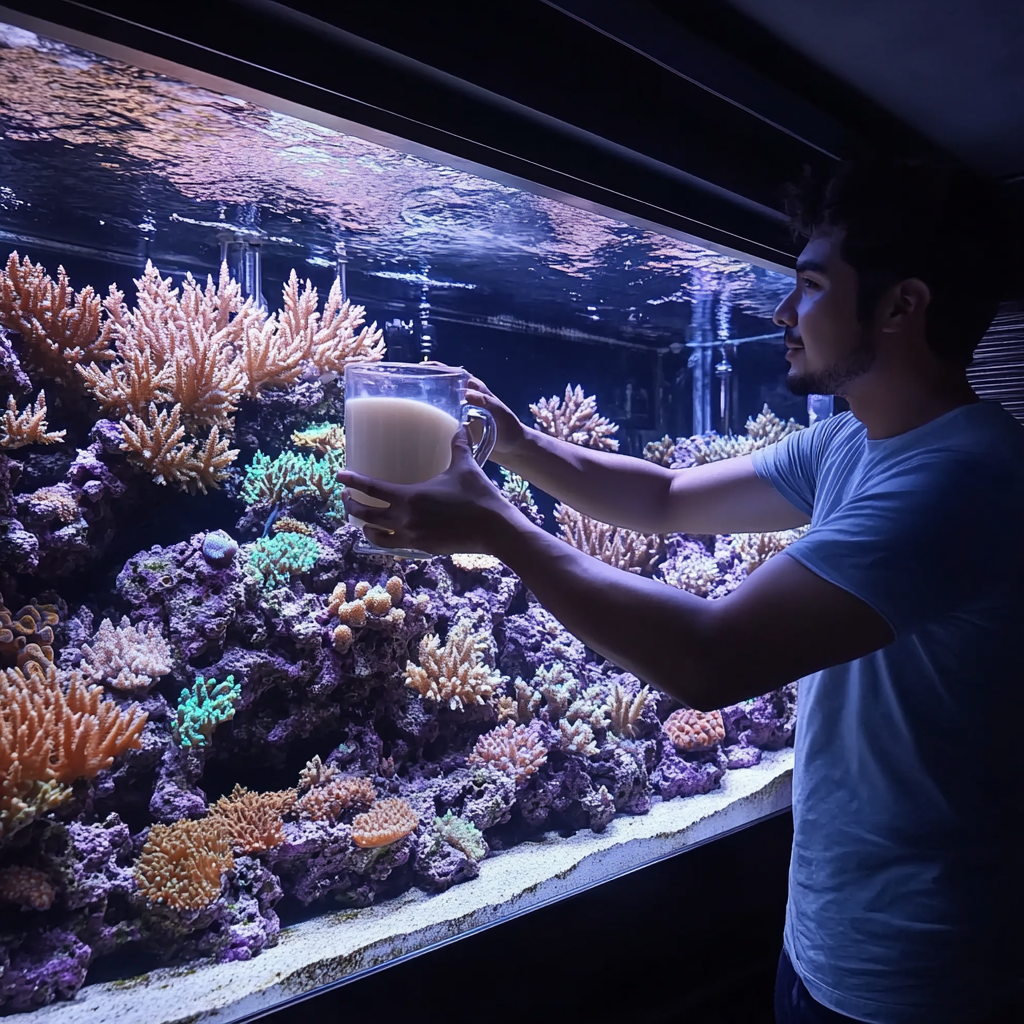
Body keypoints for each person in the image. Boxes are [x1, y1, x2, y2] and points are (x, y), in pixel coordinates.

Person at [338, 158, 1024, 1024]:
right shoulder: (857, 445)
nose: (783, 312)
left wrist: (500, 531)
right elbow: (660, 500)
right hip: (823, 941)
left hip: (918, 976)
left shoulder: (960, 479)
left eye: (809, 287)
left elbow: (710, 658)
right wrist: (517, 446)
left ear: (902, 305)